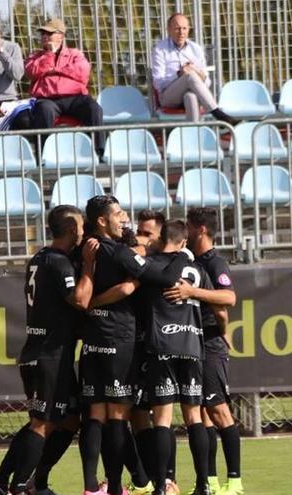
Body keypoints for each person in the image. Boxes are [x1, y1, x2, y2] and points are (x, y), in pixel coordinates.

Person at [0, 205, 97, 495]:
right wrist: (88, 265)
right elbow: (81, 300)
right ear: (72, 229)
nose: (84, 233)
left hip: (46, 354)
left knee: (68, 421)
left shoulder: (40, 258)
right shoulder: (59, 263)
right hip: (49, 356)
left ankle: (6, 481)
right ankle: (19, 487)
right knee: (43, 424)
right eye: (82, 227)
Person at [79, 196, 185, 495]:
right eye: (119, 213)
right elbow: (163, 276)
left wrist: (96, 302)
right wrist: (180, 253)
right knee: (118, 416)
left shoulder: (85, 247)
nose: (124, 218)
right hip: (119, 337)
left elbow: (85, 294)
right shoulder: (118, 252)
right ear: (102, 220)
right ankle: (114, 487)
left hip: (92, 339)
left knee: (95, 414)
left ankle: (91, 486)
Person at [163, 208, 242, 495]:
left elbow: (228, 298)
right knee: (203, 415)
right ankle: (208, 482)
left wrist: (192, 293)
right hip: (194, 341)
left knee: (219, 412)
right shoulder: (191, 261)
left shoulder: (214, 262)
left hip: (209, 343)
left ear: (201, 230)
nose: (186, 230)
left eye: (190, 226)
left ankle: (234, 483)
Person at [138, 220, 214, 495]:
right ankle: (203, 484)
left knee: (162, 419)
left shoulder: (152, 265)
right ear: (184, 242)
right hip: (192, 344)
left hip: (162, 343)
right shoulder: (197, 269)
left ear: (163, 239)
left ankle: (161, 485)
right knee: (195, 416)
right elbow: (212, 303)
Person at [24, 19, 104, 146]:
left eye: (49, 33)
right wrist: (49, 54)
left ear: (60, 36)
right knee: (44, 110)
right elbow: (31, 72)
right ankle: (44, 154)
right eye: (43, 33)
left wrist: (54, 70)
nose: (45, 36)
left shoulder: (75, 54)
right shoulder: (35, 57)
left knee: (94, 108)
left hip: (75, 98)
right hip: (47, 99)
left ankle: (98, 151)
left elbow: (83, 72)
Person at [150, 13, 237, 124]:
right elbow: (158, 83)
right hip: (168, 97)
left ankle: (193, 134)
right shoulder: (160, 49)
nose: (181, 32)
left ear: (188, 29)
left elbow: (207, 82)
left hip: (192, 92)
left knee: (190, 96)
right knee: (189, 76)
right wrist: (178, 74)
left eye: (184, 28)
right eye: (177, 28)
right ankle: (218, 114)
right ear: (169, 30)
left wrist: (198, 73)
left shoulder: (195, 49)